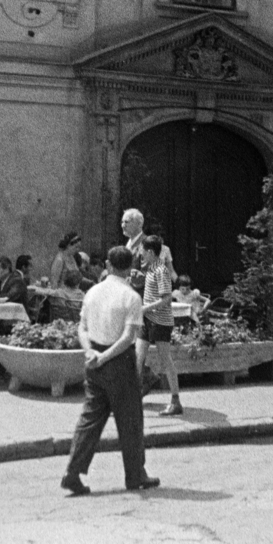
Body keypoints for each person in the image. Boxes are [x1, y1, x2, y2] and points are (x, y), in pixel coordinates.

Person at [60, 245, 158, 495]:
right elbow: (127, 338)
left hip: (95, 360)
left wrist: (90, 352)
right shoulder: (131, 297)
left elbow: (81, 328)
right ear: (131, 268)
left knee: (90, 419)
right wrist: (104, 356)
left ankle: (73, 472)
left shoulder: (92, 292)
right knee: (131, 420)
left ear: (108, 265)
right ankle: (135, 474)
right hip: (119, 361)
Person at [137, 236, 182, 417]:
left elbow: (166, 299)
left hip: (160, 322)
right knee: (137, 359)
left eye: (142, 250)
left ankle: (176, 401)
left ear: (149, 252)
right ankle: (131, 399)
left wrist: (145, 307)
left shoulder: (161, 270)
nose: (140, 253)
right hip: (147, 320)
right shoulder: (150, 269)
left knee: (166, 360)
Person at [122, 208, 174, 287]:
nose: (123, 225)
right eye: (122, 222)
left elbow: (149, 275)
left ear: (139, 224)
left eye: (126, 222)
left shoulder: (147, 244)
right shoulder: (128, 243)